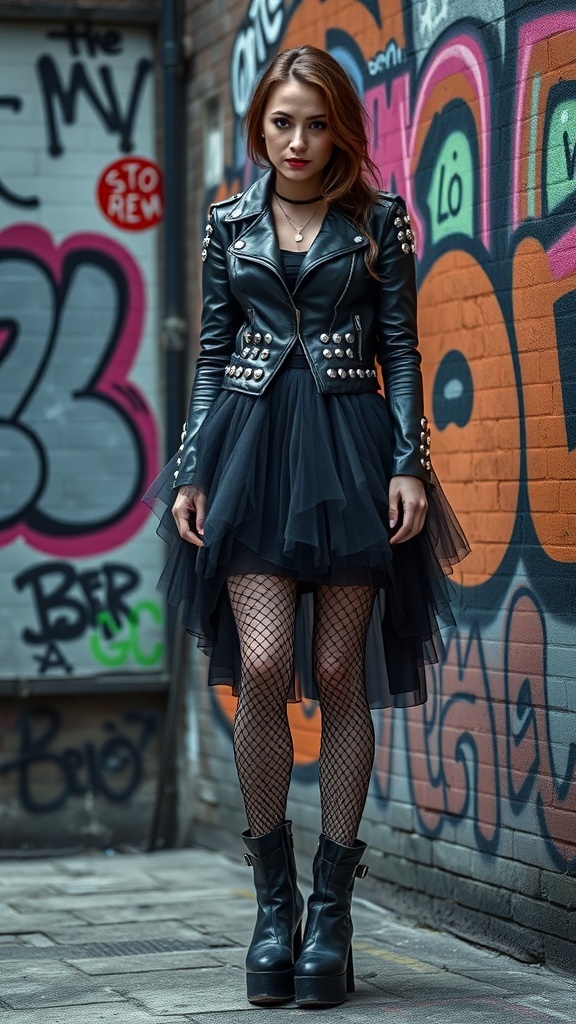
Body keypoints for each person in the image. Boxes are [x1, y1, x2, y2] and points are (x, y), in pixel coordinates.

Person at [145, 44, 468, 1009]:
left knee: (337, 675)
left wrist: (410, 460)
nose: (297, 140)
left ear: (342, 129)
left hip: (353, 449)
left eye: (316, 122)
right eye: (281, 121)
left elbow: (403, 352)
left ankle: (331, 911)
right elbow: (209, 355)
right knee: (265, 661)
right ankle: (269, 902)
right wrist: (192, 469)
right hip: (247, 455)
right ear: (260, 126)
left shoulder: (379, 224)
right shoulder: (227, 223)